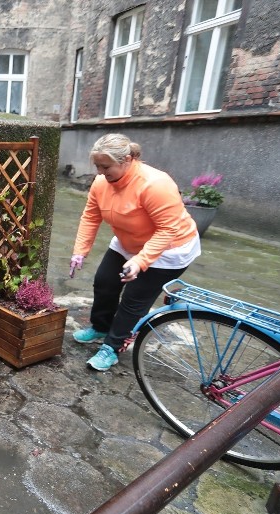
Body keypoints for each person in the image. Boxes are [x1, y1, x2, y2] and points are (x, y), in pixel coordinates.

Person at [69, 133, 200, 372]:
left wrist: (140, 262)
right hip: (128, 241)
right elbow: (91, 216)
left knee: (133, 299)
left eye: (105, 166)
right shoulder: (102, 183)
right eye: (97, 166)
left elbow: (167, 229)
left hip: (168, 249)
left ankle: (113, 346)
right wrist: (80, 251)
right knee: (105, 281)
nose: (99, 172)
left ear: (127, 160)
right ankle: (100, 327)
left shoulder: (155, 184)